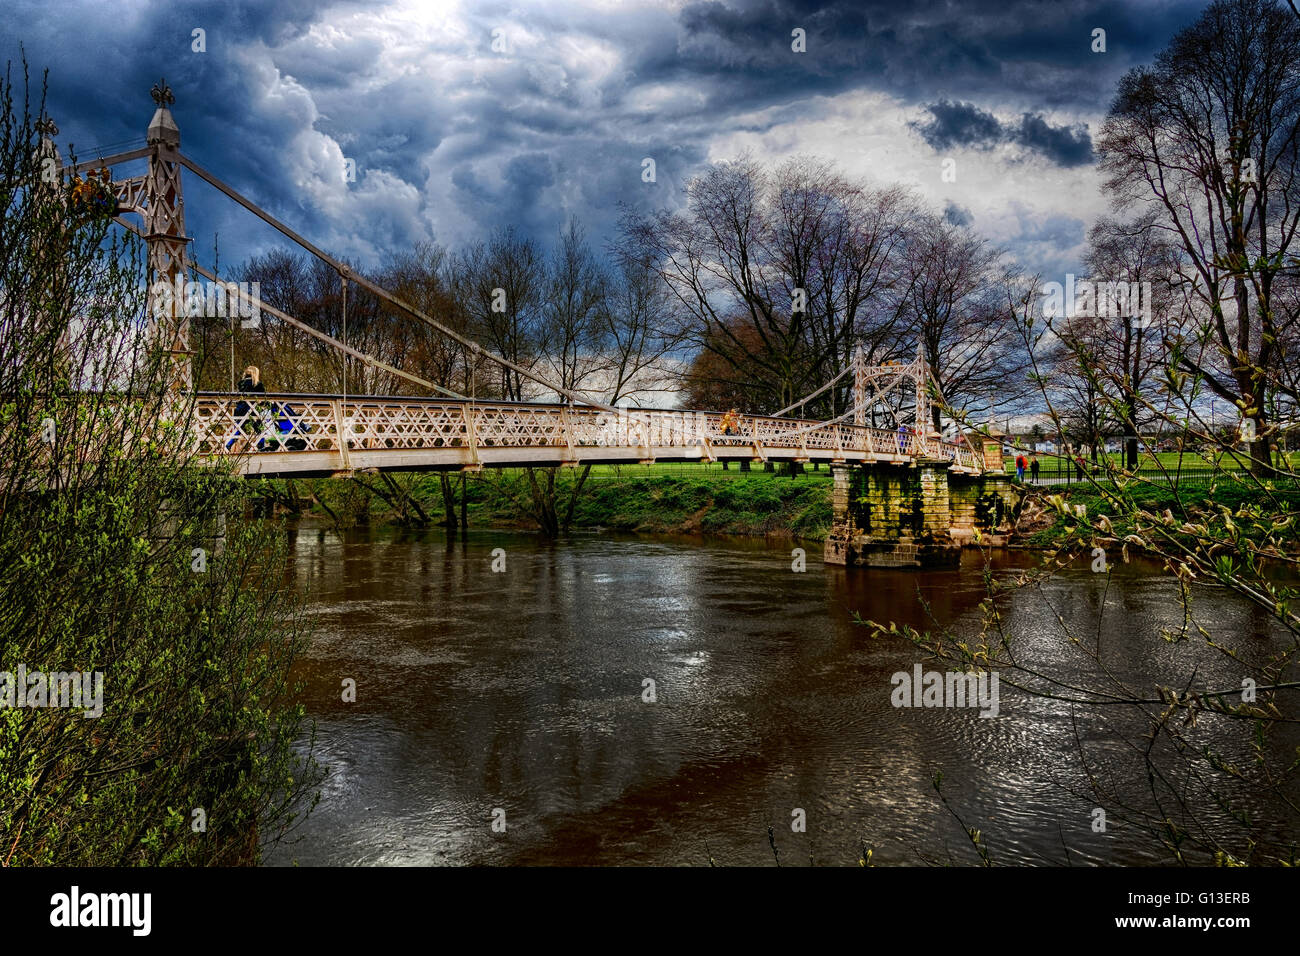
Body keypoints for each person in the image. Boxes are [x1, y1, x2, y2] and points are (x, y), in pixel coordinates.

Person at [230, 365, 267, 452]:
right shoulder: (258, 384)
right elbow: (263, 399)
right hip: (251, 410)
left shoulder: (241, 384)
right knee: (259, 428)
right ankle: (261, 445)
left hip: (240, 409)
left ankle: (229, 444)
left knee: (239, 429)